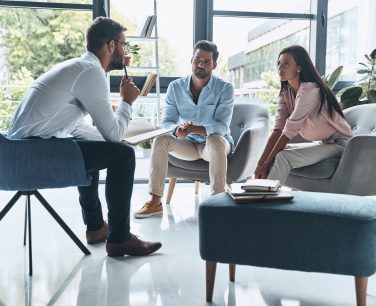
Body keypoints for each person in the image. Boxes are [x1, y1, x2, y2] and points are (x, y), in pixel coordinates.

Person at [7, 17, 161, 257]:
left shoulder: (80, 67)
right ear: (111, 45)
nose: (125, 51)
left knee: (100, 149)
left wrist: (116, 140)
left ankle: (97, 228)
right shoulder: (91, 72)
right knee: (124, 156)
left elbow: (78, 127)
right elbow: (112, 134)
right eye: (123, 45)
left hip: (14, 153)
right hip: (30, 156)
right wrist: (127, 102)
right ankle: (119, 239)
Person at [134, 40, 234, 218]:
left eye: (206, 61)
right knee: (160, 139)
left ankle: (218, 201)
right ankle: (155, 201)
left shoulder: (225, 88)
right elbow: (167, 122)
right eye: (197, 60)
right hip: (187, 144)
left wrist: (194, 128)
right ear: (191, 60)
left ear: (214, 65)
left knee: (216, 139)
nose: (200, 65)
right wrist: (177, 130)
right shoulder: (175, 87)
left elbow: (221, 126)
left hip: (212, 147)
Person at [254, 45, 352, 185]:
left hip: (340, 144)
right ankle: (263, 191)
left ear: (299, 67)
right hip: (323, 143)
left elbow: (290, 129)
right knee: (275, 153)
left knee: (282, 156)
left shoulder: (310, 89)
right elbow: (278, 129)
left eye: (286, 63)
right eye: (279, 63)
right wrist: (259, 165)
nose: (280, 67)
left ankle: (266, 199)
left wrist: (266, 164)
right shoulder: (286, 92)